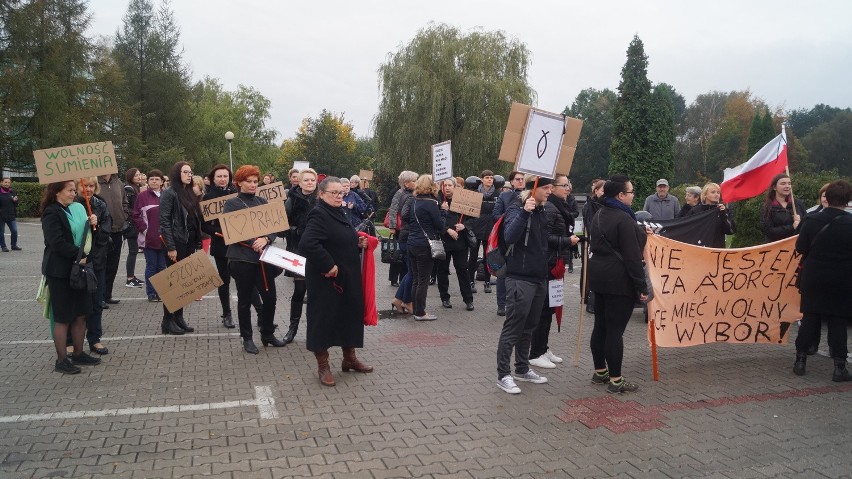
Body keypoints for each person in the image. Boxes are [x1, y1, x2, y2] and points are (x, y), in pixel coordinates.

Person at [299, 176, 373, 386]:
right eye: (334, 193)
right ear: (321, 194)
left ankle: (350, 359)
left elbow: (339, 237)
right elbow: (308, 244)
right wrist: (328, 265)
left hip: (347, 276)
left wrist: (356, 241)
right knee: (323, 320)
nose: (340, 196)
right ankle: (323, 367)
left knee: (349, 315)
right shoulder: (319, 214)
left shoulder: (338, 211)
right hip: (327, 280)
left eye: (341, 193)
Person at [587, 174, 649, 394]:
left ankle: (600, 371)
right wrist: (642, 286)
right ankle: (616, 380)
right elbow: (632, 257)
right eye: (631, 192)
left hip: (599, 277)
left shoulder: (600, 213)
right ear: (621, 195)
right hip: (618, 280)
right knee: (615, 332)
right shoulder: (623, 218)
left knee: (601, 326)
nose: (633, 196)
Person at [495, 175, 554, 394]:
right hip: (519, 278)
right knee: (513, 328)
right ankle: (503, 375)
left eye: (550, 187)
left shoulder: (541, 210)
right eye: (545, 188)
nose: (549, 191)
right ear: (533, 188)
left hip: (538, 278)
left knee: (529, 328)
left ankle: (522, 368)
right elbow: (509, 236)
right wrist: (524, 212)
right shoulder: (516, 208)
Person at [793, 180, 852, 382]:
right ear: (848, 200)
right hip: (842, 278)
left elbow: (800, 248)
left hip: (814, 275)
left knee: (810, 316)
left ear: (827, 197)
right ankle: (839, 368)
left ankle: (800, 360)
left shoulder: (811, 219)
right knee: (838, 320)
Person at [40, 180, 102, 373]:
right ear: (57, 192)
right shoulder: (51, 212)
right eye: (69, 190)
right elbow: (56, 242)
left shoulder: (77, 209)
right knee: (63, 317)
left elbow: (89, 237)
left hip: (78, 269)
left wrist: (92, 225)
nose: (74, 194)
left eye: (75, 190)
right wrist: (80, 255)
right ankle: (61, 360)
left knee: (81, 314)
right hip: (59, 271)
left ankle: (78, 353)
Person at [223, 165, 285, 353]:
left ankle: (267, 333)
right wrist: (253, 240)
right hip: (242, 259)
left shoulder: (262, 201)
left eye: (254, 181)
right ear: (239, 182)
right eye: (248, 181)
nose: (252, 184)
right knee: (244, 300)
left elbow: (274, 226)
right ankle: (247, 337)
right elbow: (233, 229)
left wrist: (266, 238)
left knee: (270, 298)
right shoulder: (232, 204)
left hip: (264, 258)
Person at [529, 174, 580, 369]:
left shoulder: (562, 207)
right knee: (543, 309)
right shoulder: (550, 208)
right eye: (563, 185)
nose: (568, 188)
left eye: (569, 185)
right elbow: (544, 237)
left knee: (551, 307)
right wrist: (567, 241)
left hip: (557, 262)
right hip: (548, 264)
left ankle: (543, 347)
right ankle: (535, 352)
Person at [159, 161, 202, 335]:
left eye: (190, 172)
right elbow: (164, 221)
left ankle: (179, 317)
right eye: (185, 172)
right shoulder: (169, 193)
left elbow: (194, 218)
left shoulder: (189, 192)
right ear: (177, 174)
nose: (189, 175)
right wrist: (170, 246)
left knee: (183, 282)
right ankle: (167, 321)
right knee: (173, 282)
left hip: (188, 241)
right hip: (176, 242)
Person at [74, 178, 113, 355]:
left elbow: (106, 233)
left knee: (96, 303)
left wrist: (96, 226)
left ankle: (95, 339)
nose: (88, 189)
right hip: (77, 262)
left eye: (91, 186)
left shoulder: (100, 205)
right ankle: (70, 341)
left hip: (97, 262)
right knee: (75, 304)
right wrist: (85, 225)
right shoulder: (72, 205)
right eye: (84, 186)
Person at [283, 168, 318, 344]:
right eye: (307, 180)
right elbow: (282, 226)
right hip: (297, 250)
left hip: (318, 252)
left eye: (313, 180)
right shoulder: (291, 200)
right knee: (299, 291)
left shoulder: (321, 200)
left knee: (316, 293)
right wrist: (296, 230)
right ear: (300, 182)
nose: (310, 182)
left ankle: (316, 330)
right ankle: (292, 328)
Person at [203, 165, 237, 327]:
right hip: (220, 243)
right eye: (219, 176)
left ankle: (259, 311)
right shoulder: (208, 197)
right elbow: (204, 226)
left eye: (226, 176)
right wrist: (218, 232)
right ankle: (227, 313)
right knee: (224, 279)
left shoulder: (236, 195)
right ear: (213, 178)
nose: (223, 179)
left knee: (245, 277)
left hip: (239, 243)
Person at [406, 174, 443, 321]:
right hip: (424, 245)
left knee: (416, 279)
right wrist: (444, 211)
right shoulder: (431, 203)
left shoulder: (414, 201)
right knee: (423, 280)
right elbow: (439, 225)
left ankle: (416, 310)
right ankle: (420, 313)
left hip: (412, 242)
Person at [436, 178, 474, 311]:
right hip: (444, 241)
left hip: (460, 242)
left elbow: (472, 219)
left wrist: (464, 226)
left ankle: (468, 299)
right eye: (445, 185)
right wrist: (447, 228)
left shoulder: (462, 200)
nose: (447, 188)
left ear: (455, 186)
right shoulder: (438, 201)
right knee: (442, 270)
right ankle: (444, 297)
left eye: (450, 185)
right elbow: (435, 222)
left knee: (462, 270)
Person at [492, 171, 525, 316]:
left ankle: (519, 302)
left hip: (524, 240)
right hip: (505, 238)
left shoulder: (530, 196)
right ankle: (501, 304)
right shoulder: (504, 196)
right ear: (511, 182)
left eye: (523, 179)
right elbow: (495, 214)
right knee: (502, 273)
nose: (520, 182)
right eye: (517, 179)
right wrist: (511, 218)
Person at [132, 170, 167, 303]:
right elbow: (135, 215)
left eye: (157, 179)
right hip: (149, 239)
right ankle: (151, 293)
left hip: (164, 238)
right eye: (151, 179)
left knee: (162, 267)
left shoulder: (167, 195)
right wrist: (144, 229)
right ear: (148, 181)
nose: (154, 181)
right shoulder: (142, 196)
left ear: (162, 182)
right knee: (152, 266)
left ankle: (161, 291)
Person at [389, 171, 417, 312]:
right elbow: (393, 210)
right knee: (410, 270)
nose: (417, 182)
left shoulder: (407, 194)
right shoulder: (401, 194)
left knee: (409, 269)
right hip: (404, 231)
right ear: (406, 183)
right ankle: (405, 300)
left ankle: (400, 299)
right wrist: (393, 227)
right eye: (414, 180)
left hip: (405, 232)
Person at [98, 173, 127, 305]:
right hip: (102, 231)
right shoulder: (95, 182)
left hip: (117, 230)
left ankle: (107, 294)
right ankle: (100, 297)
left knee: (113, 265)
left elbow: (125, 202)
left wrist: (124, 216)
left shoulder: (118, 183)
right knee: (101, 264)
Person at [467, 171, 498, 294]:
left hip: (490, 229)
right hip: (476, 227)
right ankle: (470, 281)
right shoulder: (475, 193)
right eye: (487, 178)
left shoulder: (497, 194)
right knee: (473, 256)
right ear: (482, 179)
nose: (489, 180)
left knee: (488, 257)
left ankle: (487, 281)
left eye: (491, 178)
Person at [760, 173, 806, 242]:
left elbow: (807, 224)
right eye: (783, 183)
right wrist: (792, 227)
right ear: (774, 187)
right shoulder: (767, 207)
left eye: (789, 183)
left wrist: (801, 222)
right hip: (777, 247)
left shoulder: (797, 204)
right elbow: (769, 231)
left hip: (797, 245)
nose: (787, 186)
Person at [686, 183, 735, 248]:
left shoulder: (724, 211)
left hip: (717, 250)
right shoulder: (696, 211)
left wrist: (723, 214)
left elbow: (730, 231)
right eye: (713, 192)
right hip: (699, 249)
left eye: (718, 192)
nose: (716, 195)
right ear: (705, 195)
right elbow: (687, 229)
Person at [122, 168, 144, 288]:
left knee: (134, 251)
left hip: (134, 223)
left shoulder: (135, 188)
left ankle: (132, 277)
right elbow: (128, 207)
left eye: (139, 174)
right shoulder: (128, 189)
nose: (139, 177)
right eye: (136, 175)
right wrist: (135, 215)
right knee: (132, 251)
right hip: (131, 225)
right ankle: (129, 278)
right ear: (130, 176)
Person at [0, 177, 21, 252]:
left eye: (8, 183)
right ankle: (3, 246)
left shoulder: (12, 192)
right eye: (5, 182)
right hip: (1, 216)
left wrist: (15, 201)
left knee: (14, 231)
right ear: (1, 183)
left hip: (11, 215)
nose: (7, 184)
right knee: (1, 232)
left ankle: (14, 245)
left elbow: (16, 204)